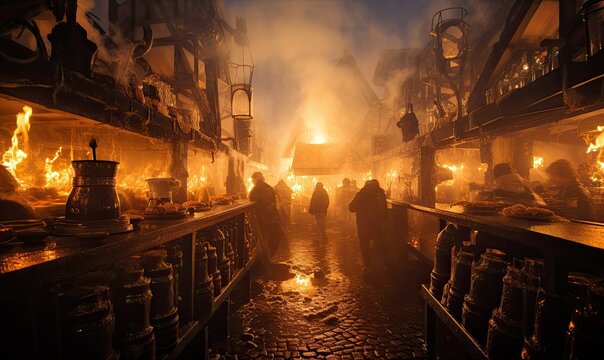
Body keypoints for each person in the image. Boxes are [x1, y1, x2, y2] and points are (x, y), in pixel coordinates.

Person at [349, 179, 387, 270]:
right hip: (377, 225)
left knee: (364, 246)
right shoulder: (380, 194)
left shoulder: (361, 194)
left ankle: (368, 266)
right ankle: (380, 266)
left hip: (363, 225)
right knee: (378, 245)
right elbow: (384, 210)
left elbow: (351, 208)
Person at [249, 172, 284, 258]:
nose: (252, 182)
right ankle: (269, 255)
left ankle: (265, 257)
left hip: (263, 218)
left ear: (256, 178)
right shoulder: (269, 187)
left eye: (253, 180)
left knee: (262, 238)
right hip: (273, 217)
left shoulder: (256, 188)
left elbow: (251, 198)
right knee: (275, 237)